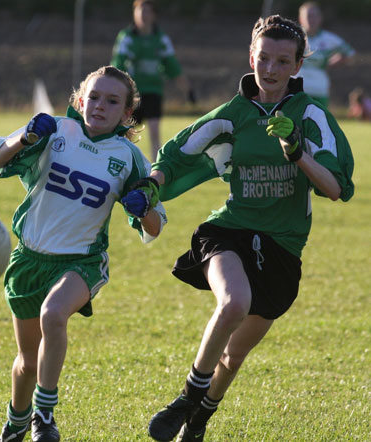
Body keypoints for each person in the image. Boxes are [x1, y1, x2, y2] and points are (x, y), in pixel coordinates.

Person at [146, 14, 354, 442]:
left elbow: (335, 188)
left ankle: (198, 420)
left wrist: (297, 153)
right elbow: (178, 153)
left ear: (297, 66)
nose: (271, 69)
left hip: (283, 247)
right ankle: (186, 398)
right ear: (251, 57)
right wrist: (149, 184)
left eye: (283, 61)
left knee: (234, 355)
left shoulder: (311, 115)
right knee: (233, 302)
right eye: (264, 58)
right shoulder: (234, 113)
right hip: (230, 231)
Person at [0, 65, 167, 442]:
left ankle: (44, 414)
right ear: (80, 100)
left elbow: (156, 225)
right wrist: (26, 137)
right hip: (29, 261)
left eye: (112, 101)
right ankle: (17, 420)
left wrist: (142, 207)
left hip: (81, 262)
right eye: (94, 97)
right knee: (26, 363)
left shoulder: (129, 157)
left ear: (127, 114)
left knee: (54, 313)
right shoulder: (54, 131)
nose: (100, 105)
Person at [111, 0, 195, 161]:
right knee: (125, 132)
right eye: (140, 10)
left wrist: (188, 90)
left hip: (153, 91)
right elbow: (117, 65)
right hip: (132, 93)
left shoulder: (161, 40)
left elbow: (173, 67)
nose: (143, 14)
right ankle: (122, 163)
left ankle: (155, 172)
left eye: (147, 11)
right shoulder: (127, 38)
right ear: (134, 13)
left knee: (155, 131)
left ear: (154, 15)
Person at [298, 1, 355, 107]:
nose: (311, 19)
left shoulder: (329, 39)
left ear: (320, 18)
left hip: (319, 88)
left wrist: (337, 61)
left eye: (314, 16)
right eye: (308, 16)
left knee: (319, 120)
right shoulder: (294, 37)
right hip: (297, 88)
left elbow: (350, 54)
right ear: (301, 18)